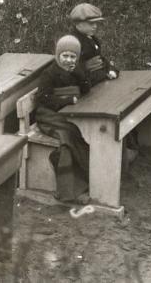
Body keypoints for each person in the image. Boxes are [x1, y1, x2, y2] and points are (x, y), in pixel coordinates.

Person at [34, 35, 92, 203]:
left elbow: (86, 88)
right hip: (47, 115)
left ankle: (85, 182)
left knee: (78, 132)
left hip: (65, 113)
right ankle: (70, 190)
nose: (68, 60)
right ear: (58, 55)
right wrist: (66, 100)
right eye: (65, 56)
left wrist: (79, 73)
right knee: (69, 136)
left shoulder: (76, 70)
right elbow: (43, 99)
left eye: (72, 57)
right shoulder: (49, 74)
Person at [68, 3, 118, 84]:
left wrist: (111, 69)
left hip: (98, 80)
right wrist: (85, 66)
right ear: (79, 25)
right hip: (85, 84)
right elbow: (69, 69)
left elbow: (100, 59)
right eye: (91, 23)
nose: (95, 26)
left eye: (96, 23)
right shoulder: (72, 42)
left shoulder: (90, 37)